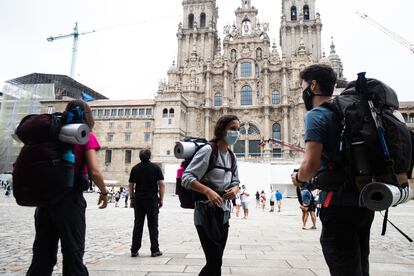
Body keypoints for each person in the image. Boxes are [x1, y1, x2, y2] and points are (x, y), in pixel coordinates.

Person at [291, 64, 375, 276]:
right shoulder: (347, 111)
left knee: (343, 266)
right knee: (360, 262)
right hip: (363, 201)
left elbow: (310, 165)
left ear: (313, 85)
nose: (302, 92)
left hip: (337, 204)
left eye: (303, 86)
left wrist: (299, 179)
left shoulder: (317, 115)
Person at [27, 99, 108, 276]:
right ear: (88, 116)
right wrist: (104, 192)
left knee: (42, 254)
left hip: (45, 200)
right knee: (73, 253)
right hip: (70, 200)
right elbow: (94, 171)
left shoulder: (51, 133)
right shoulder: (84, 134)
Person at [182, 115, 240, 276]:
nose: (236, 133)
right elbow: (187, 178)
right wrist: (208, 191)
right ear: (222, 130)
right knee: (214, 260)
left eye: (238, 129)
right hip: (205, 213)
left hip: (224, 214)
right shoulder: (208, 150)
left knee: (217, 260)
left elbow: (236, 181)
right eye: (232, 129)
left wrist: (235, 190)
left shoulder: (231, 156)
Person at [129, 149, 165, 258]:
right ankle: (155, 250)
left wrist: (132, 198)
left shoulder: (135, 168)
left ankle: (134, 250)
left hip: (139, 199)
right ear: (150, 156)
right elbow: (162, 184)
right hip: (152, 199)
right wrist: (161, 198)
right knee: (153, 225)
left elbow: (131, 185)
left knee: (138, 224)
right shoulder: (155, 168)